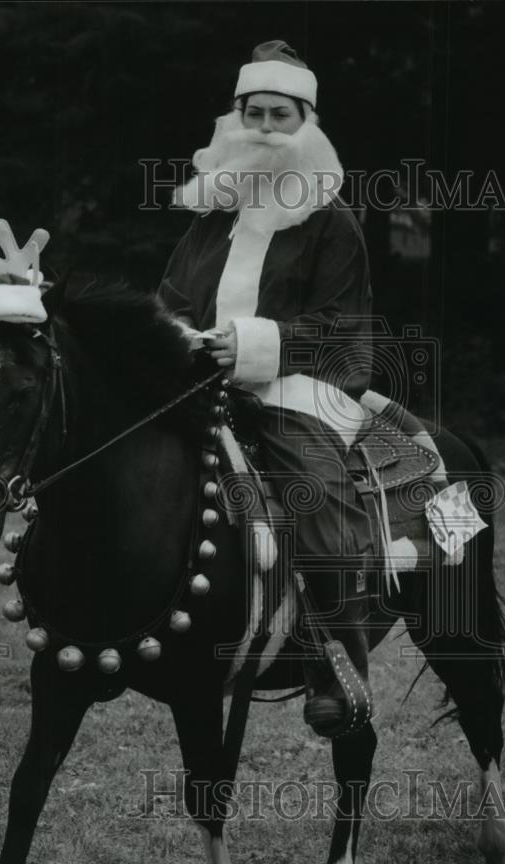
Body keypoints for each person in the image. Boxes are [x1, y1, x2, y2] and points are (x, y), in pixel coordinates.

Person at [158, 40, 374, 735]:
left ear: (306, 123)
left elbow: (340, 325)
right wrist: (181, 338)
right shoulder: (210, 213)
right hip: (196, 380)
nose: (263, 129)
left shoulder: (333, 220)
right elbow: (167, 298)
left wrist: (248, 345)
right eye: (251, 114)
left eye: (279, 115)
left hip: (298, 385)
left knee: (315, 492)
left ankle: (334, 662)